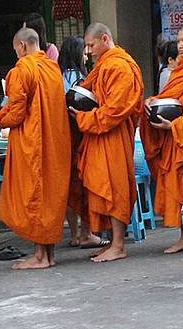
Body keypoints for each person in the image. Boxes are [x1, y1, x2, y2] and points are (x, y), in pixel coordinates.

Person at [0, 28, 71, 269]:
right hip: (54, 143)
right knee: (49, 195)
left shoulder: (21, 70)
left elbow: (16, 113)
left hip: (32, 143)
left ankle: (40, 256)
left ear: (22, 46)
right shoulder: (53, 68)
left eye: (16, 49)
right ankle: (49, 254)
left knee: (34, 194)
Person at [68, 22, 144, 263]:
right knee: (101, 186)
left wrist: (84, 118)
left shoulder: (120, 66)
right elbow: (87, 89)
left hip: (113, 135)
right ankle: (112, 241)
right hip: (99, 134)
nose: (88, 51)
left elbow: (116, 109)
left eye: (90, 45)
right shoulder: (103, 65)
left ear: (104, 38)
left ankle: (120, 244)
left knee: (114, 187)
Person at [140, 25, 183, 254]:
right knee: (181, 187)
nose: (180, 45)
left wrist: (175, 125)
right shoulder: (180, 68)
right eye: (178, 41)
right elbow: (172, 96)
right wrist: (154, 101)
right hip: (179, 136)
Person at [58, 36, 109, 249]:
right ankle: (87, 233)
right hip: (81, 133)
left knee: (70, 188)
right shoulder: (80, 78)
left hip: (63, 137)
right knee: (83, 185)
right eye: (84, 49)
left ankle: (74, 235)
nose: (87, 53)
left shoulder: (57, 76)